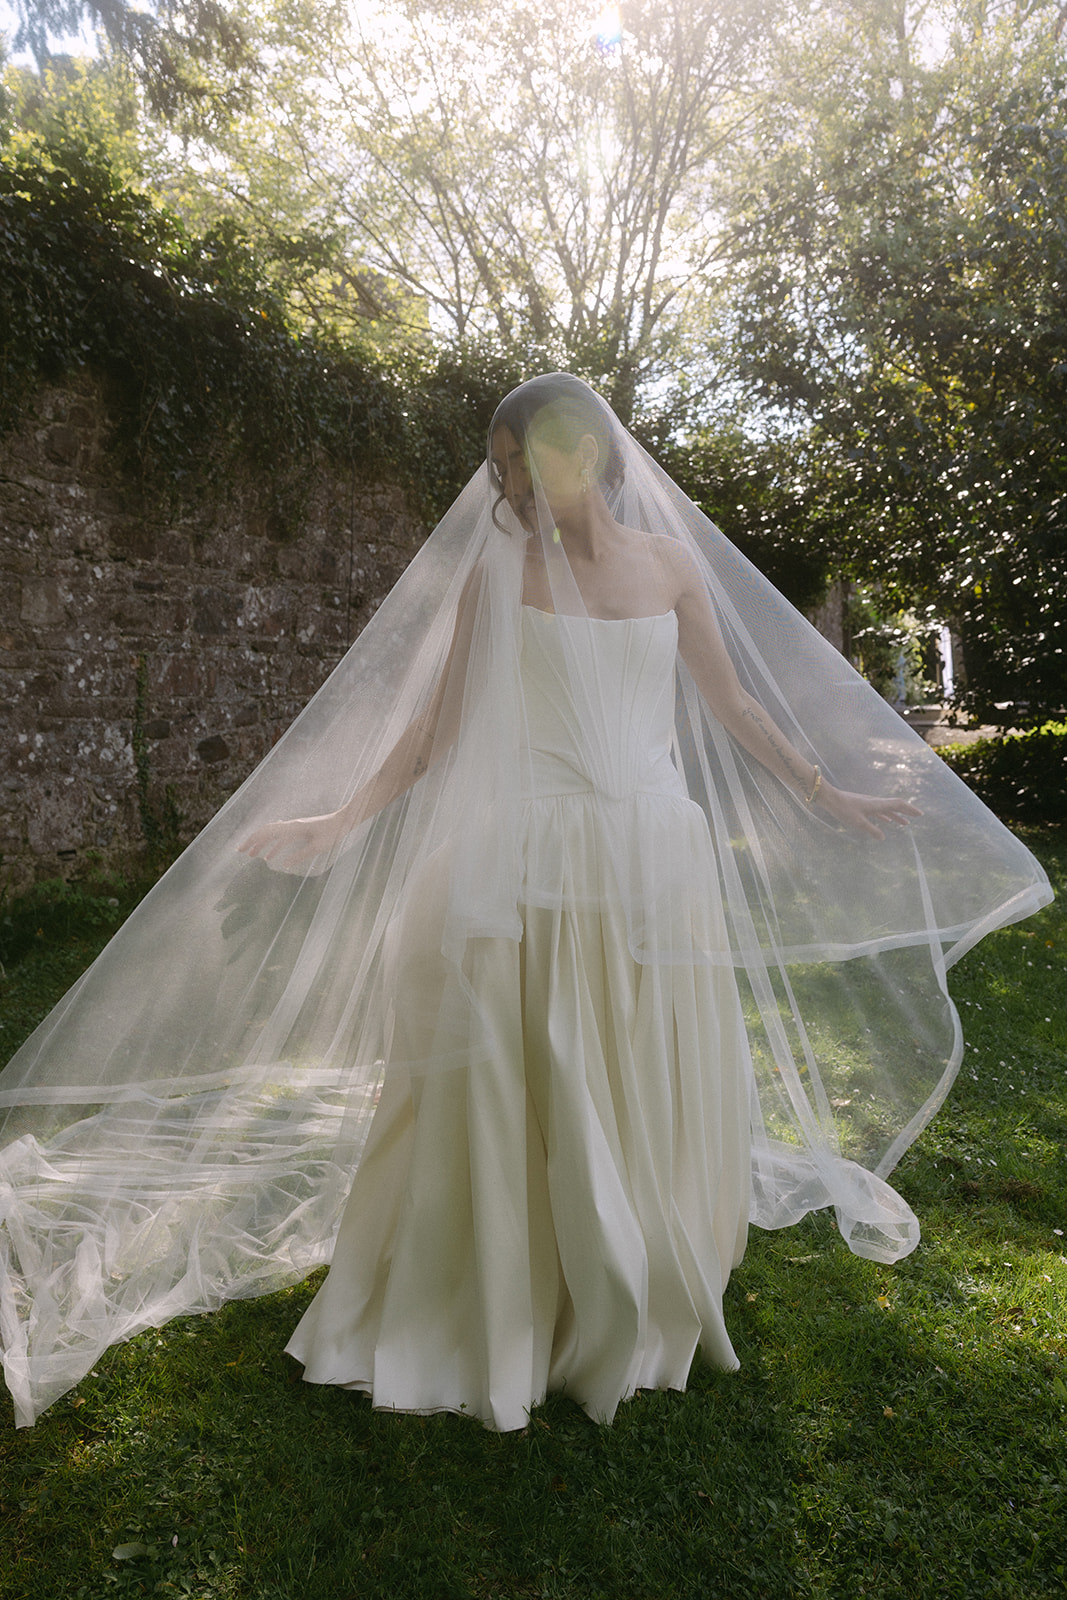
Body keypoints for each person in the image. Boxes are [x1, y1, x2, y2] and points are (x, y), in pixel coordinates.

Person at [0, 375, 1051, 1431]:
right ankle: (521, 1285)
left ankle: (634, 1267)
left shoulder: (672, 566)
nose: (503, 481)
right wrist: (339, 822)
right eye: (495, 463)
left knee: (635, 1061)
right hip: (529, 860)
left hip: (651, 855)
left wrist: (828, 791)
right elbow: (434, 731)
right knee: (536, 1065)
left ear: (586, 455)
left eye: (518, 458)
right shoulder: (495, 575)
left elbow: (730, 706)